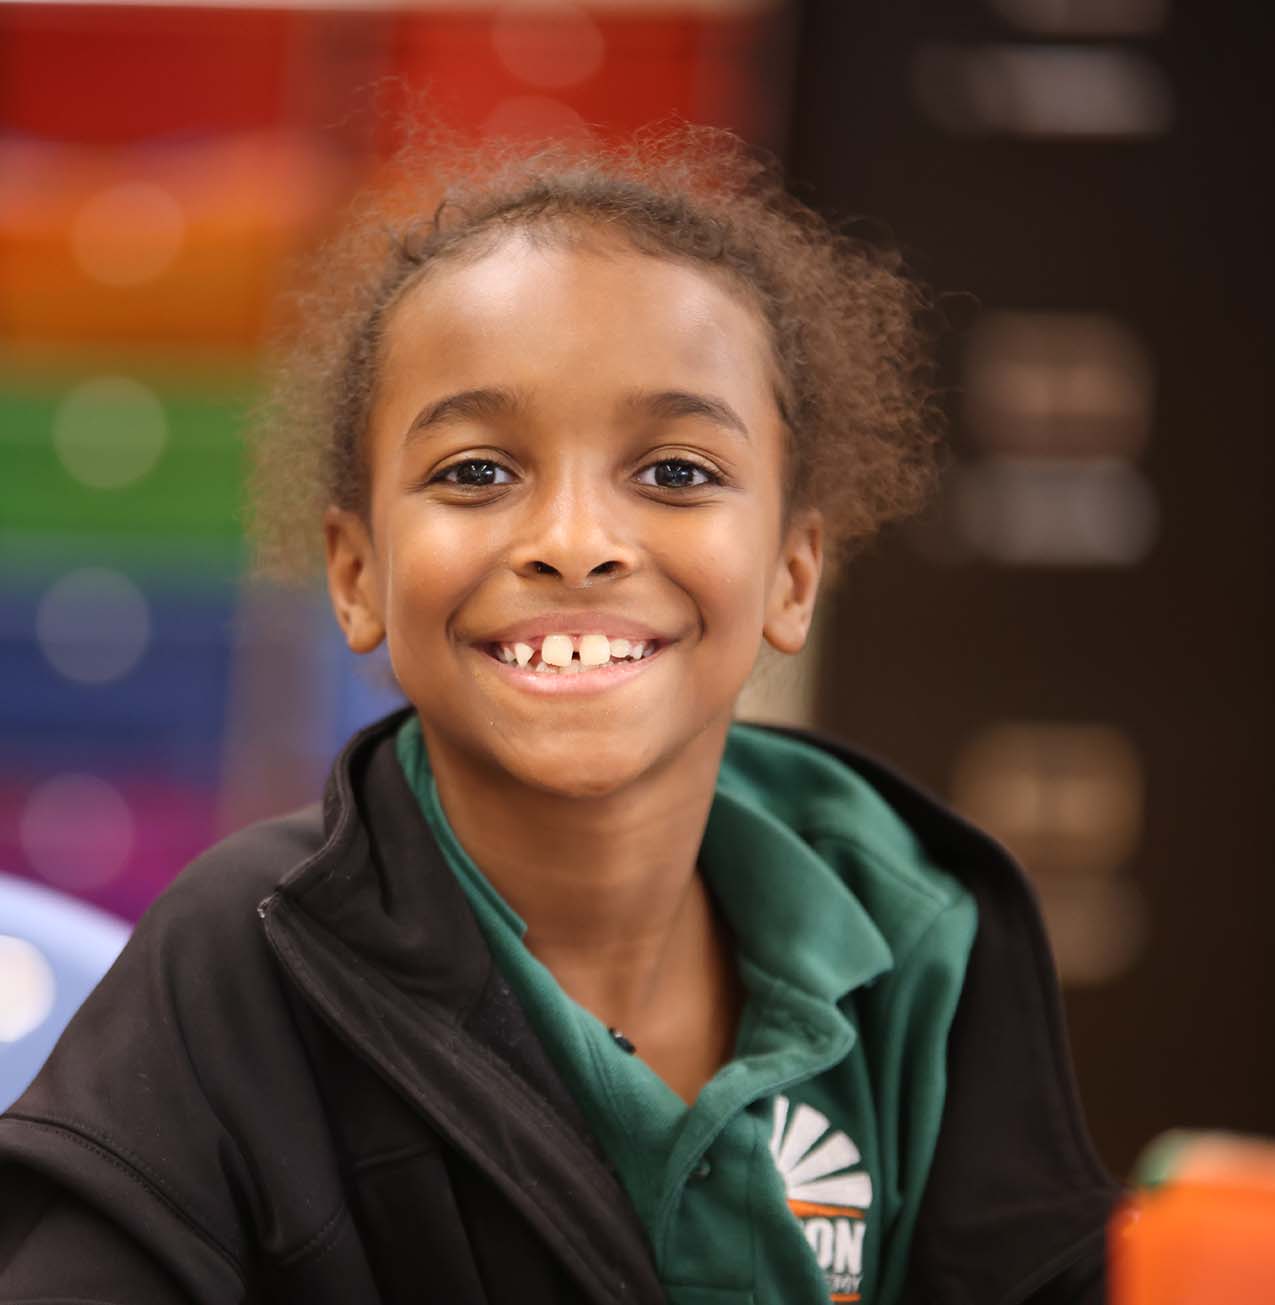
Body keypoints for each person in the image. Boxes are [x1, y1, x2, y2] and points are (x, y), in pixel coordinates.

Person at [0, 124, 1118, 1304]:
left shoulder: (924, 926)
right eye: (476, 471)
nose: (575, 544)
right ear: (356, 573)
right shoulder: (242, 954)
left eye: (676, 471)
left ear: (791, 575)